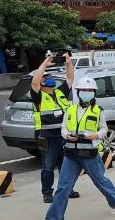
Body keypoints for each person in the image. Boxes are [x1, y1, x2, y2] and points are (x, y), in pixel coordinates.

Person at [43, 76, 115, 220]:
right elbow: (64, 128)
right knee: (63, 186)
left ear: (93, 93)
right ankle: (55, 218)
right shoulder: (70, 109)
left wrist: (96, 135)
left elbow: (104, 128)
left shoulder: (97, 111)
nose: (86, 93)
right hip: (71, 154)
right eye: (84, 90)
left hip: (89, 154)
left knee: (100, 180)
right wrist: (66, 135)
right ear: (78, 92)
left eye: (90, 91)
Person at [31, 51, 79, 204]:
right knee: (48, 167)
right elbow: (35, 83)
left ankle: (67, 189)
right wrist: (45, 64)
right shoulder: (38, 96)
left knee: (66, 166)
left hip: (64, 136)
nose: (48, 78)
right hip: (48, 137)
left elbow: (70, 78)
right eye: (45, 77)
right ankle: (47, 193)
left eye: (49, 76)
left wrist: (68, 63)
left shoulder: (60, 92)